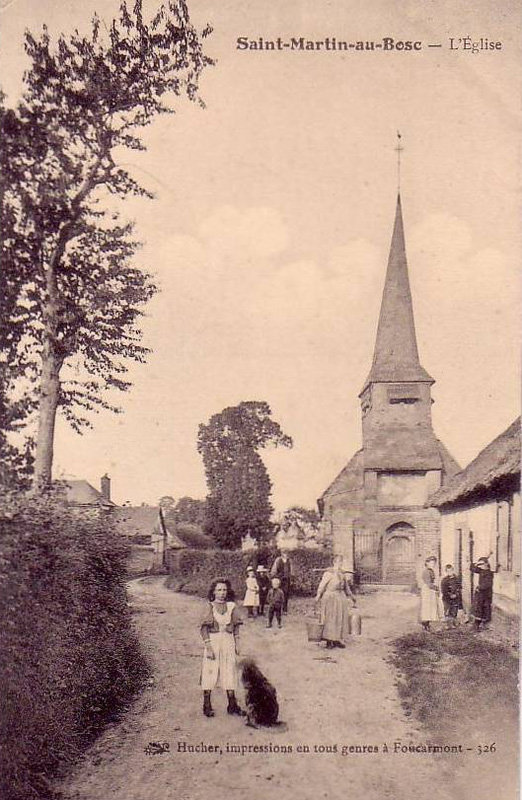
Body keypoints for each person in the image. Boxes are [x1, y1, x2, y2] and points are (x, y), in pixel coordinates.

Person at [200, 577, 244, 718]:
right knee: (210, 671)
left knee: (229, 670)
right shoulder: (210, 607)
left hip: (228, 640)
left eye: (224, 590)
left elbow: (236, 626)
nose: (222, 593)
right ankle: (207, 705)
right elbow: (204, 629)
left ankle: (232, 704)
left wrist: (237, 644)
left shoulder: (231, 607)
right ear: (213, 592)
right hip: (213, 640)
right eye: (219, 590)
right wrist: (209, 647)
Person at [315, 554, 356, 649]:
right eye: (338, 561)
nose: (340, 564)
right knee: (330, 619)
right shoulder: (328, 573)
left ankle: (337, 639)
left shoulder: (342, 574)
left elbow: (346, 587)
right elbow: (322, 585)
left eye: (341, 562)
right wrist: (318, 595)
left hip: (340, 598)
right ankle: (329, 641)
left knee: (340, 619)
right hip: (330, 597)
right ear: (334, 562)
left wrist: (352, 596)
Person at [471, 556, 494, 631]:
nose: (480, 566)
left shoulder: (489, 573)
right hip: (480, 594)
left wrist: (479, 588)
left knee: (483, 609)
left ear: (486, 564)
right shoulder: (481, 570)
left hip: (486, 594)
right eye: (480, 565)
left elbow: (487, 584)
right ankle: (476, 626)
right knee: (478, 608)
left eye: (482, 564)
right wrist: (477, 563)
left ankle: (480, 625)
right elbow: (472, 568)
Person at [420, 556, 440, 631]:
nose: (433, 565)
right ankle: (425, 624)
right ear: (427, 563)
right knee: (426, 607)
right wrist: (436, 588)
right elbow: (428, 583)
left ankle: (427, 624)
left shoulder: (431, 571)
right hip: (427, 590)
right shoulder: (426, 571)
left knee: (430, 607)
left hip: (430, 590)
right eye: (431, 563)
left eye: (434, 563)